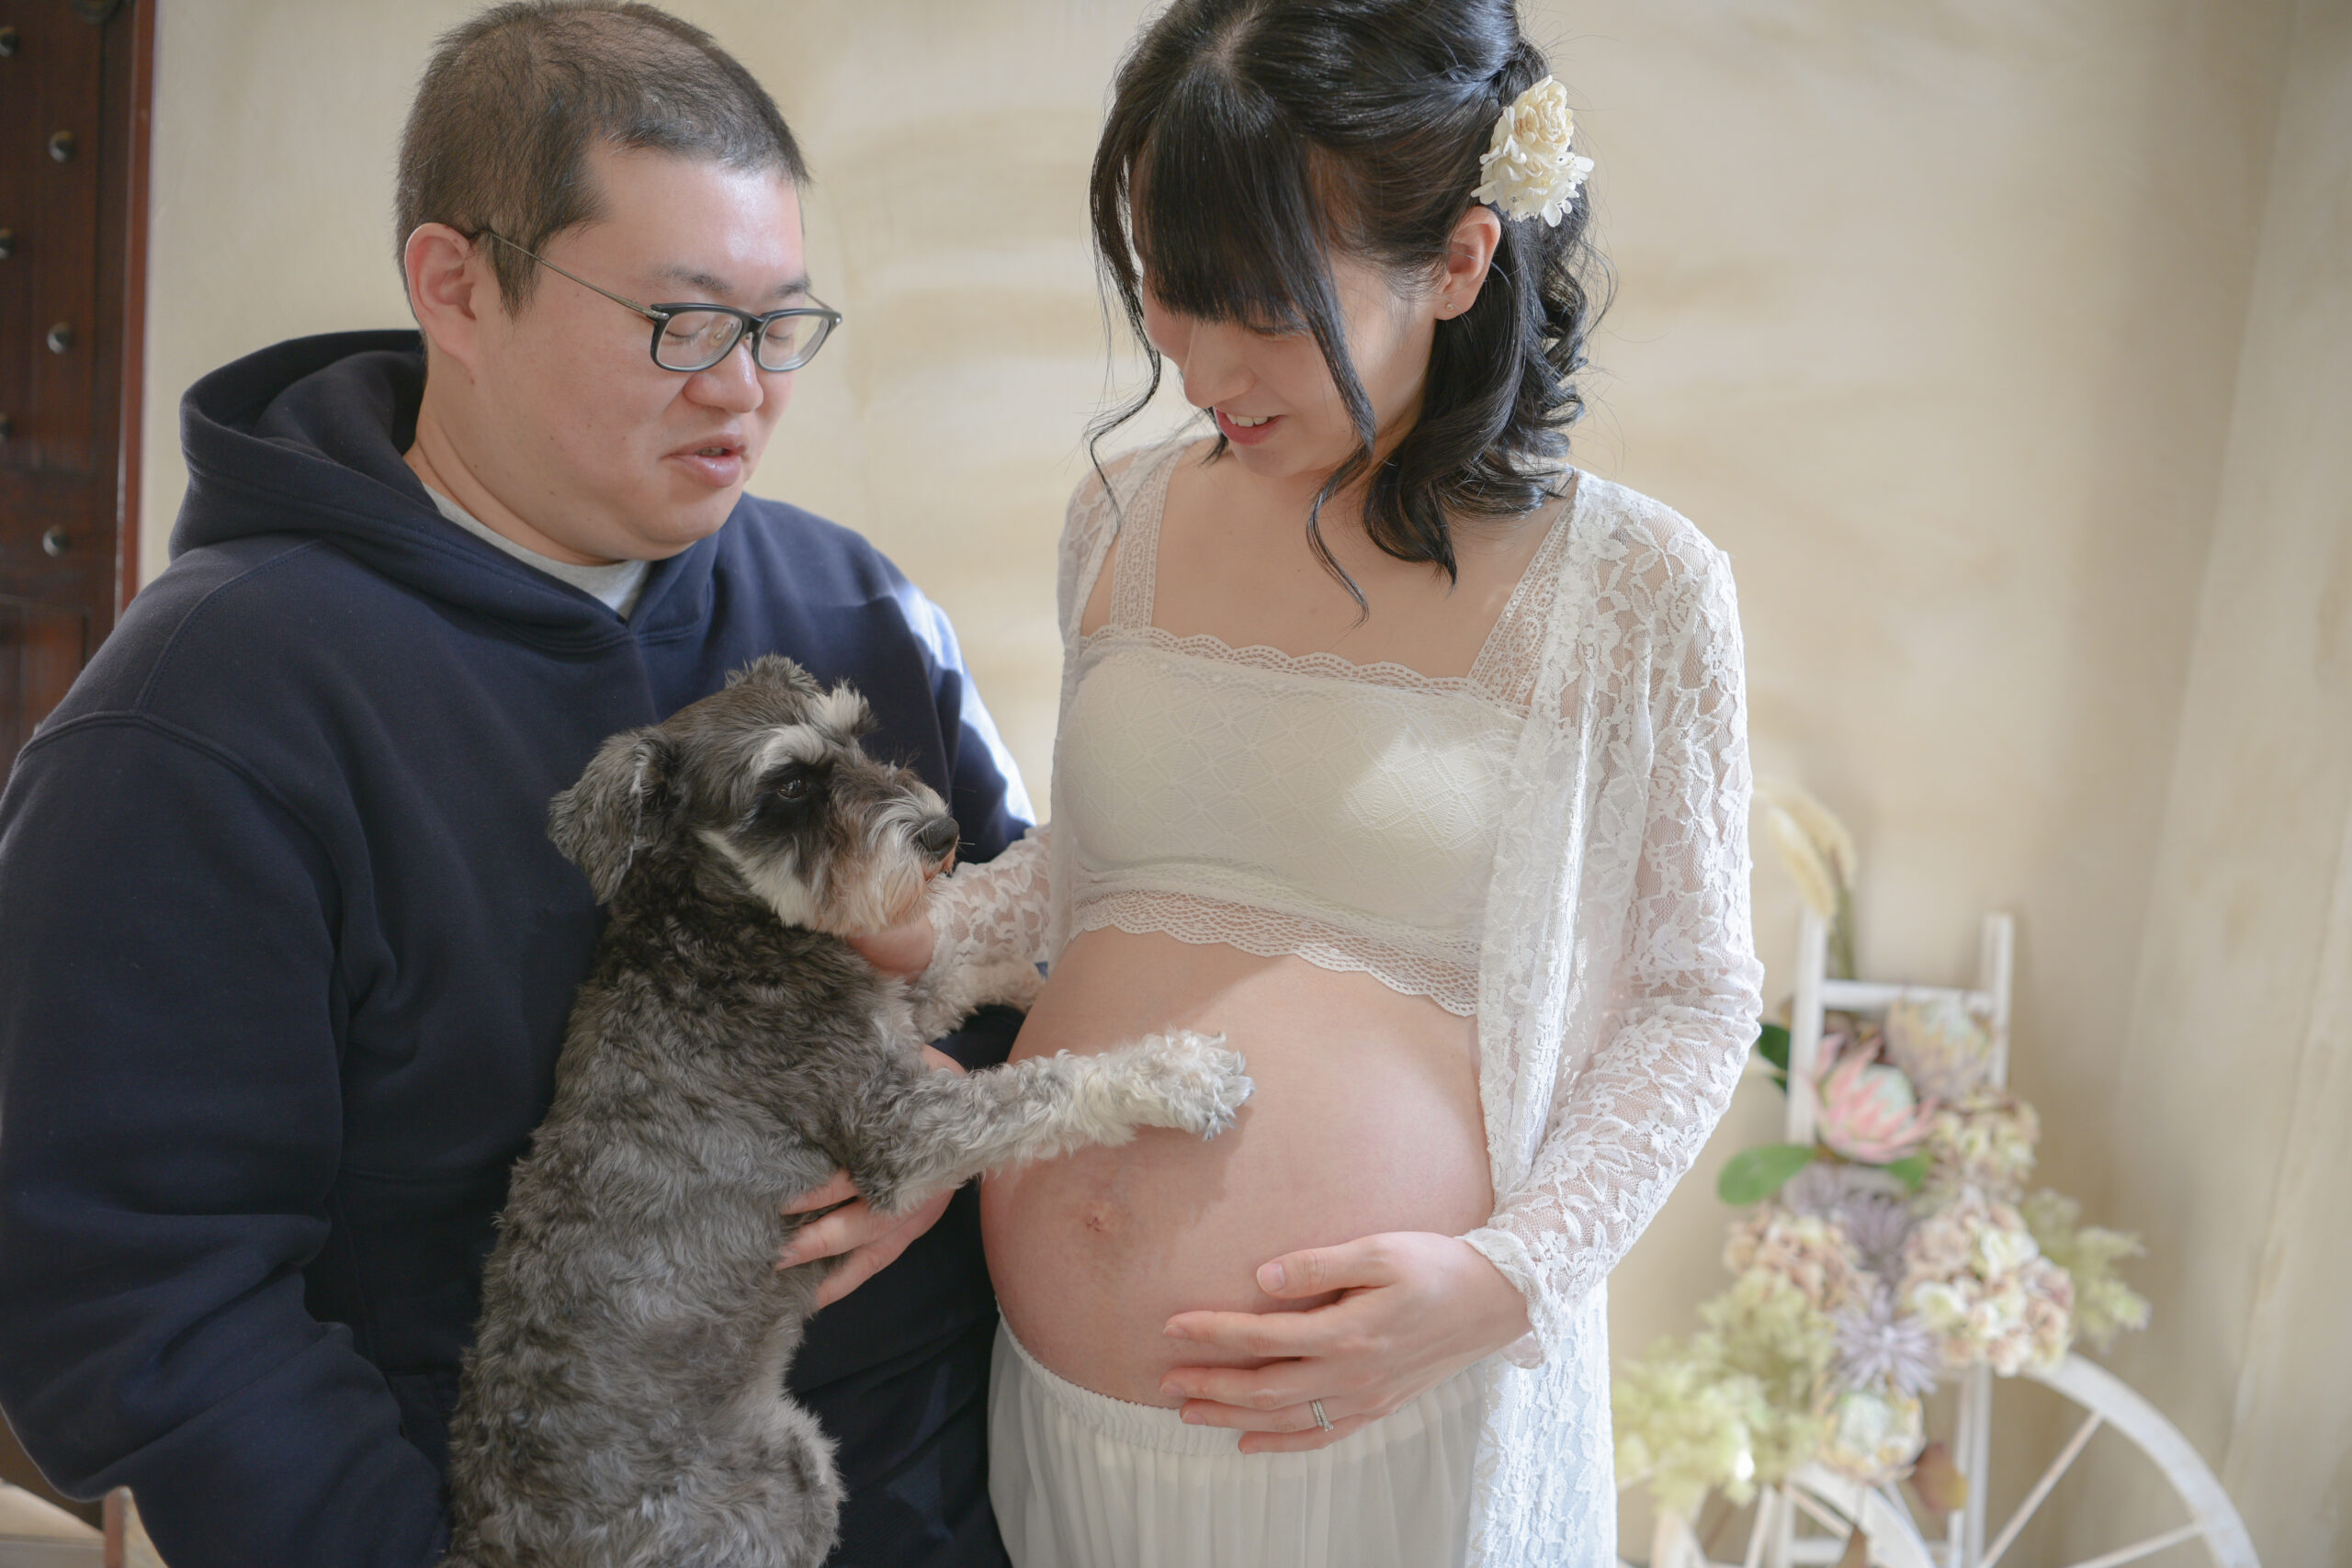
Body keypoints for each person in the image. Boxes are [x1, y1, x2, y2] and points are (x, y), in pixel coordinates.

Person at [0, 5, 1028, 1565]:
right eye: (682, 323)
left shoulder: (853, 609)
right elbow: (133, 1284)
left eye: (780, 323)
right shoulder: (207, 710)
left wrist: (949, 1112)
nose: (743, 387)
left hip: (913, 1499)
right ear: (457, 286)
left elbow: (1025, 950)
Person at [828, 2, 1763, 1562]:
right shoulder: (1116, 520)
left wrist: (1514, 1279)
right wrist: (916, 950)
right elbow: (1105, 880)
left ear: (1459, 263)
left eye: (1255, 307)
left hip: (1382, 1437)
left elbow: (1694, 992)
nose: (1194, 364)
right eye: (1163, 298)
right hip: (1058, 1425)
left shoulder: (1635, 588)